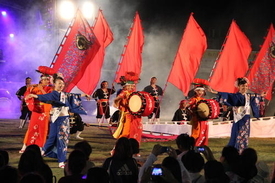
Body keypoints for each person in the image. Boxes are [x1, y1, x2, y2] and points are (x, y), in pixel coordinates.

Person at [25, 73, 90, 168]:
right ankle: (61, 160)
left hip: (62, 118)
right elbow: (44, 97)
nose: (61, 85)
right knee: (61, 139)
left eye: (62, 84)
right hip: (59, 119)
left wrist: (84, 94)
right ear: (54, 84)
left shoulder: (64, 94)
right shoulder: (53, 94)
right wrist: (33, 95)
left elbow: (73, 95)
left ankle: (43, 153)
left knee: (54, 138)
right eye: (59, 83)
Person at [209, 77, 265, 153]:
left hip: (246, 119)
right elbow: (226, 95)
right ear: (238, 87)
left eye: (246, 86)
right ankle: (235, 148)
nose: (245, 88)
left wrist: (261, 96)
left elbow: (256, 97)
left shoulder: (249, 96)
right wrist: (216, 92)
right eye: (242, 86)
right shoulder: (235, 96)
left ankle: (243, 148)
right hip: (238, 118)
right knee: (237, 133)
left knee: (245, 134)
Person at [19, 74, 53, 153]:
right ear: (41, 80)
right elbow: (27, 95)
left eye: (47, 80)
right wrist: (27, 96)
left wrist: (42, 90)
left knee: (43, 129)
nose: (46, 81)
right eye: (44, 80)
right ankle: (25, 145)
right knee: (31, 128)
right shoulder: (33, 87)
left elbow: (49, 97)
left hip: (44, 111)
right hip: (36, 110)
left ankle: (41, 146)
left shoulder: (50, 89)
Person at [112, 72, 143, 144]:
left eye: (133, 86)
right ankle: (118, 148)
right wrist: (116, 103)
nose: (132, 87)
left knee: (135, 130)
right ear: (126, 86)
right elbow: (117, 99)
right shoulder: (124, 92)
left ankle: (133, 146)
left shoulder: (134, 93)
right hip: (127, 115)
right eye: (130, 86)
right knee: (126, 132)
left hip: (134, 114)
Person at [188, 79, 209, 146]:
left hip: (204, 120)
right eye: (198, 90)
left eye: (201, 91)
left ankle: (202, 148)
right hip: (196, 120)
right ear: (195, 91)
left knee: (204, 134)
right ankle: (194, 148)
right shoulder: (193, 99)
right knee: (196, 134)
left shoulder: (204, 100)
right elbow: (187, 106)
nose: (200, 92)